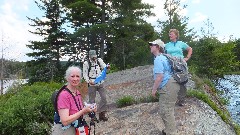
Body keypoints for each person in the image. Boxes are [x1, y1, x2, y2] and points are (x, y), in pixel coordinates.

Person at [51, 66, 97, 135]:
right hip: (64, 131)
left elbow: (77, 111)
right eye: (72, 76)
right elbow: (65, 121)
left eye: (77, 76)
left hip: (74, 127)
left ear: (80, 78)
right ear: (67, 78)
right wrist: (83, 110)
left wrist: (89, 109)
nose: (75, 79)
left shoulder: (77, 92)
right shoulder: (64, 95)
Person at [149, 39, 180, 135]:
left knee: (166, 111)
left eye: (152, 45)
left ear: (158, 47)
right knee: (166, 110)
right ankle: (168, 130)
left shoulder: (158, 59)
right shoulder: (164, 57)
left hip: (167, 86)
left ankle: (171, 132)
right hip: (172, 84)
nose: (150, 46)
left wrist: (153, 90)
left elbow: (159, 77)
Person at [165, 29, 193, 106]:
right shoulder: (166, 45)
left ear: (176, 35)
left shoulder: (181, 43)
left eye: (171, 34)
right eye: (169, 34)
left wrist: (187, 58)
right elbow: (161, 52)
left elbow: (190, 49)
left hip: (181, 63)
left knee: (182, 81)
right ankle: (172, 99)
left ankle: (181, 100)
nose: (170, 35)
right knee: (171, 81)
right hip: (170, 63)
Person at [83, 50, 109, 121]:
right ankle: (93, 116)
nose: (94, 58)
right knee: (92, 100)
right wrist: (89, 81)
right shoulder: (86, 63)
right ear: (89, 56)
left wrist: (107, 67)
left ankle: (101, 113)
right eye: (92, 57)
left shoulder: (99, 60)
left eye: (95, 57)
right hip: (92, 83)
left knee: (104, 98)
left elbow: (104, 66)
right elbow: (85, 74)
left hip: (100, 82)